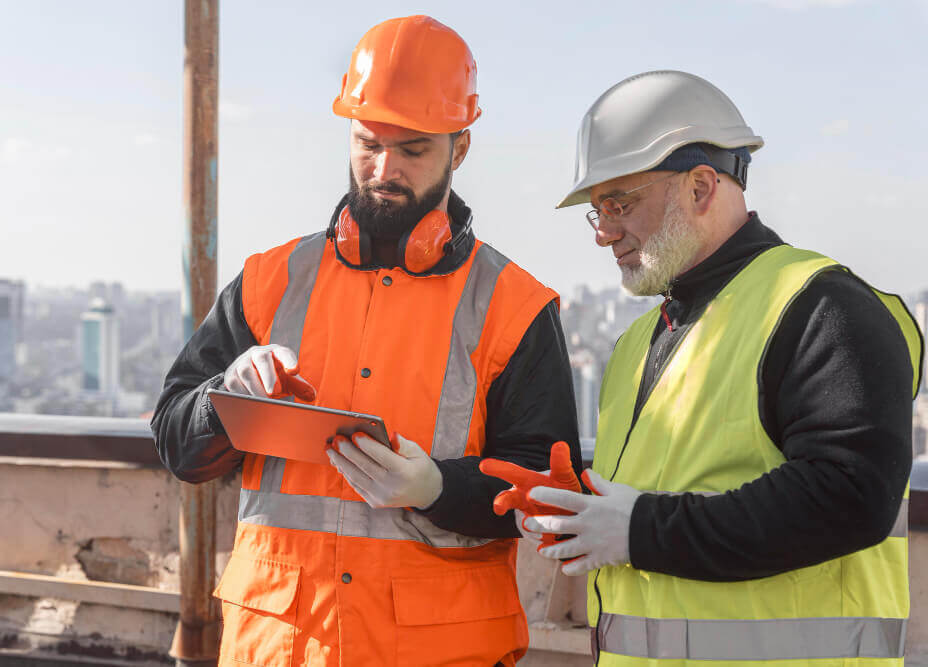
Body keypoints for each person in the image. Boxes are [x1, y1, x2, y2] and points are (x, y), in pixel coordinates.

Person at [151, 15, 582, 667]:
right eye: (367, 142)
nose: (385, 168)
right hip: (280, 647)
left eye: (413, 150)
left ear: (459, 148)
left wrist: (435, 485)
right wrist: (222, 400)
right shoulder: (270, 281)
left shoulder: (514, 306)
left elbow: (545, 488)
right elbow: (178, 445)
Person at [521, 70, 924, 665]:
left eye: (620, 203)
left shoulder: (822, 307)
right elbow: (681, 484)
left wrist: (639, 530)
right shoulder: (640, 341)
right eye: (596, 210)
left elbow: (849, 495)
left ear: (702, 187)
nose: (604, 233)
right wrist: (584, 507)